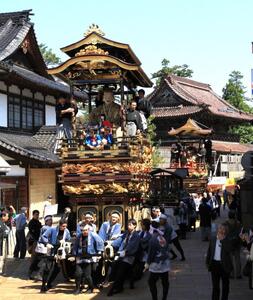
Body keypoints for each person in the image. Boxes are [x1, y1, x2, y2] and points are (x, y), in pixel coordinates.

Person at [107, 219, 140, 296]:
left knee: (120, 270)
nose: (128, 226)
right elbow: (120, 240)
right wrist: (111, 244)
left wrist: (124, 252)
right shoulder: (126, 233)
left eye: (130, 225)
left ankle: (114, 288)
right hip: (122, 255)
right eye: (128, 225)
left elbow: (131, 247)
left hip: (130, 257)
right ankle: (118, 285)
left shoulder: (136, 236)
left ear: (134, 225)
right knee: (114, 265)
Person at [71, 224, 104, 294]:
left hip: (89, 257)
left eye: (86, 230)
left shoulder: (93, 235)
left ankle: (91, 288)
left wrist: (99, 251)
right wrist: (73, 255)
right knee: (77, 274)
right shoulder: (79, 236)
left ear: (88, 230)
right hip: (80, 257)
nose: (84, 232)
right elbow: (75, 246)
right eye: (83, 230)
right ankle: (77, 288)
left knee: (87, 275)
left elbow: (100, 242)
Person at [39, 219, 71, 293]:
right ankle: (43, 285)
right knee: (47, 268)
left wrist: (65, 242)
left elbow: (69, 239)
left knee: (57, 269)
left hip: (60, 249)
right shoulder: (52, 229)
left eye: (66, 226)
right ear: (59, 225)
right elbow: (43, 236)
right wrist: (47, 243)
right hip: (52, 248)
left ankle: (49, 283)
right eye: (63, 226)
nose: (64, 227)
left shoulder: (66, 231)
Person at [206, 224, 233, 300]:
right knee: (215, 286)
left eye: (223, 229)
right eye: (220, 228)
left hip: (224, 265)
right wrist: (208, 263)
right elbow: (210, 251)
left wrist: (222, 240)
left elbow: (229, 250)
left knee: (225, 286)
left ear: (225, 231)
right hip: (215, 265)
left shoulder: (228, 240)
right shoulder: (213, 239)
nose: (221, 230)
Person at [146, 220, 171, 300]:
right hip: (165, 262)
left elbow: (151, 253)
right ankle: (164, 298)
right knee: (165, 282)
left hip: (156, 264)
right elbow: (167, 248)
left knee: (151, 282)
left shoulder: (153, 239)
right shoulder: (161, 236)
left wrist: (147, 263)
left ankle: (155, 298)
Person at [28, 215, 53, 280]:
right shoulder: (46, 228)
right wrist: (48, 243)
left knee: (36, 260)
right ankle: (39, 274)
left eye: (51, 220)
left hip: (40, 246)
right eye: (50, 220)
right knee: (45, 261)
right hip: (43, 247)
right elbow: (44, 237)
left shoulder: (45, 227)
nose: (51, 221)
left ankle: (30, 273)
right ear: (46, 221)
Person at [224, 210, 242, 279]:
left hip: (229, 243)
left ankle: (231, 273)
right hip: (236, 243)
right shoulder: (238, 223)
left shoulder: (225, 223)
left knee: (230, 259)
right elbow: (241, 233)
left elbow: (224, 233)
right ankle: (238, 274)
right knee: (237, 259)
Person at [27, 210, 42, 278]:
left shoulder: (38, 222)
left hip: (38, 241)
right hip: (34, 242)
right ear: (33, 215)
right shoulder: (31, 222)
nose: (37, 216)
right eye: (36, 214)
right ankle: (29, 273)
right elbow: (33, 232)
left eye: (38, 214)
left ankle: (35, 267)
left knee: (38, 257)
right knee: (34, 258)